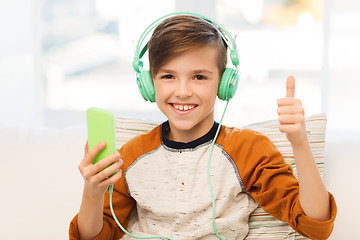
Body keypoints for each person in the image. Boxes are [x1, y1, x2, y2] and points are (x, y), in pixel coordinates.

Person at [69, 13, 336, 240]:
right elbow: (95, 237)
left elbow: (315, 224)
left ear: (224, 83)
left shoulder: (248, 150)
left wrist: (299, 142)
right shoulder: (132, 154)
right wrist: (93, 192)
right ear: (149, 84)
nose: (183, 91)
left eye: (199, 76)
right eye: (168, 76)